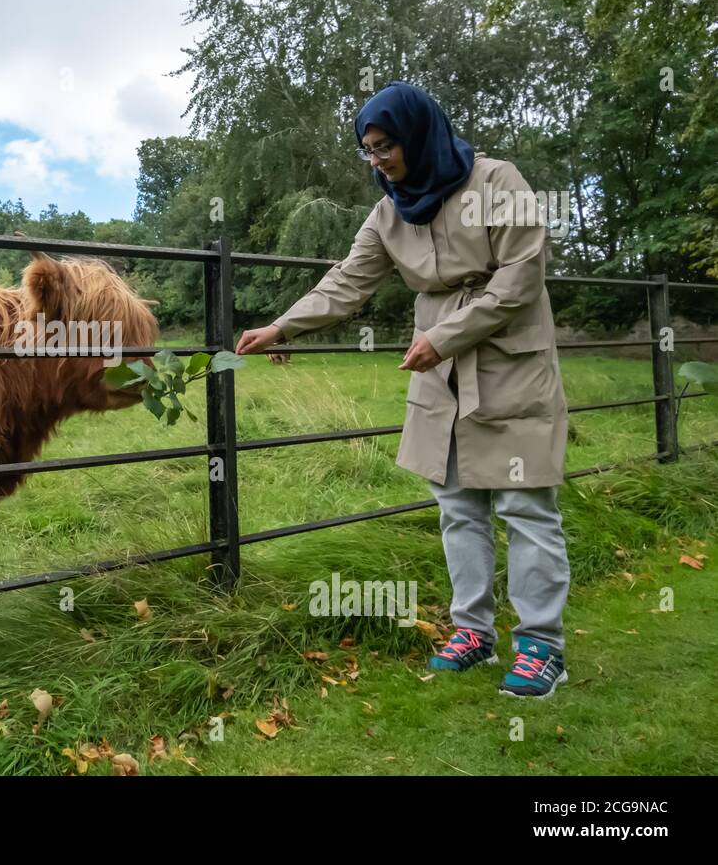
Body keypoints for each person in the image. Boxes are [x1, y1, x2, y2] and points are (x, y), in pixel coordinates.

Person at [236, 81, 571, 699]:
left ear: (417, 134)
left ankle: (541, 646)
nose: (377, 161)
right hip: (438, 369)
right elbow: (347, 281)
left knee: (525, 505)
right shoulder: (391, 210)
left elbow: (523, 276)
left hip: (507, 357)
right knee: (457, 505)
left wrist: (447, 336)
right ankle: (473, 631)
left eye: (384, 145)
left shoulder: (498, 182)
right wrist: (283, 325)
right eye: (367, 150)